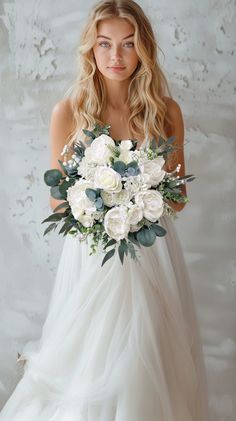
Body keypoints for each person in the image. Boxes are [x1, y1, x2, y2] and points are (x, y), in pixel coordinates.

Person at [0, 1, 211, 420]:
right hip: (95, 256)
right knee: (90, 360)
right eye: (105, 44)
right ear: (91, 50)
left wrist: (141, 192)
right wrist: (104, 197)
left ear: (144, 50)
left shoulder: (165, 112)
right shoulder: (70, 113)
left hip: (153, 255)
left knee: (149, 354)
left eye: (129, 45)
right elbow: (58, 200)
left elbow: (179, 197)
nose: (116, 57)